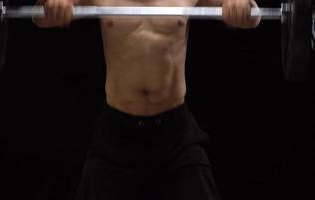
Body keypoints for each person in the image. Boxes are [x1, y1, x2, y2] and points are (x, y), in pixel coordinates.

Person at [33, 0, 260, 199]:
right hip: (116, 136)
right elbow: (38, 16)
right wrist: (53, 6)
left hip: (175, 136)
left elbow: (254, 16)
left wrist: (240, 6)